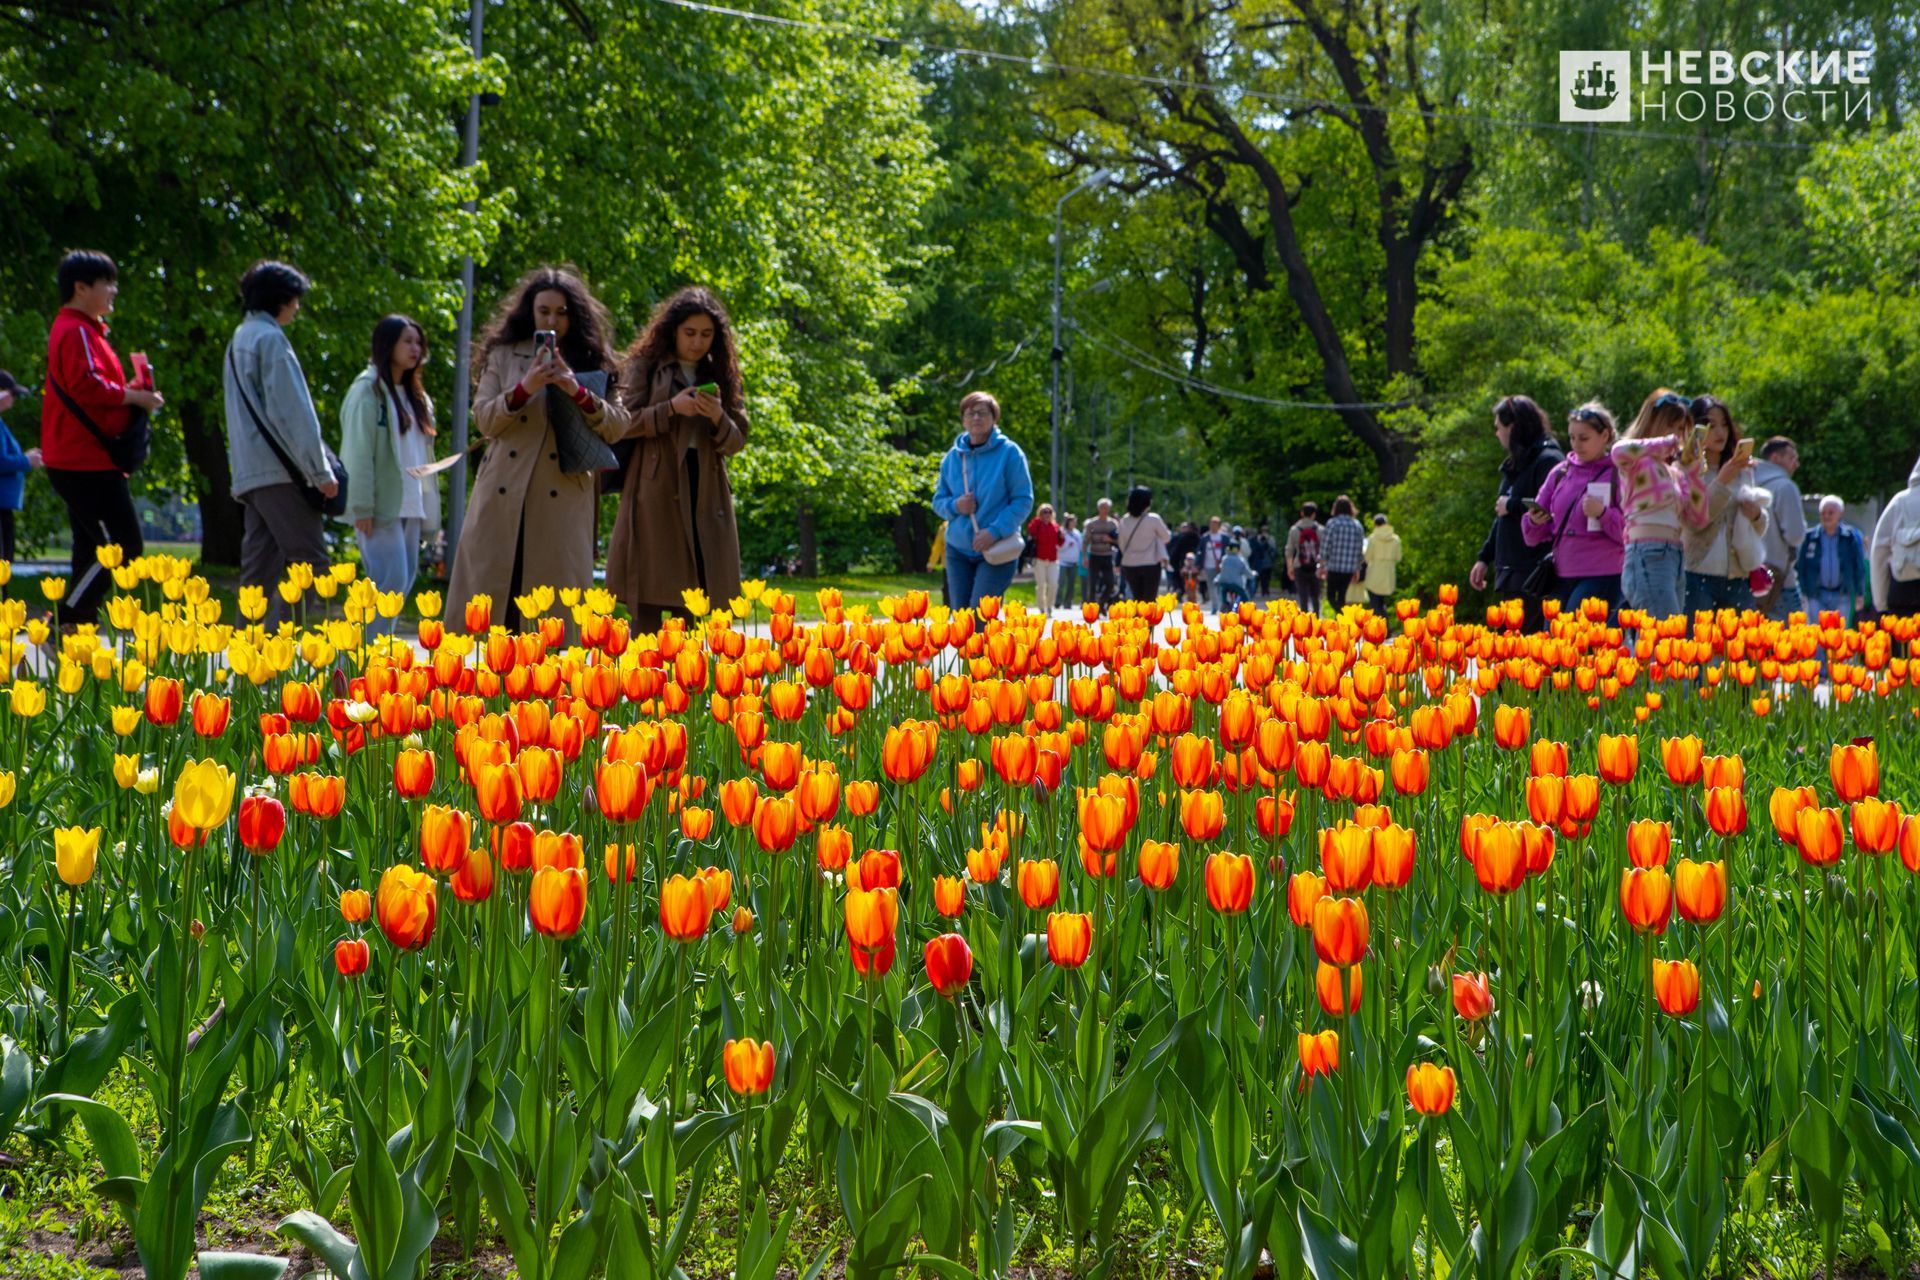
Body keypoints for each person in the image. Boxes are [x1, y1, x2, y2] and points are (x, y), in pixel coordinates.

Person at [449, 266, 631, 632]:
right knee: (497, 606)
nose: (553, 319)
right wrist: (525, 388)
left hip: (563, 497)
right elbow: (484, 419)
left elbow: (618, 425)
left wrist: (576, 391)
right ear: (529, 311)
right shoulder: (502, 355)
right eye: (544, 310)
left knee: (551, 619)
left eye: (561, 312)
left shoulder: (592, 358)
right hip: (503, 493)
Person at [610, 286, 749, 631]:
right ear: (673, 330)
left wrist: (717, 416)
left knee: (698, 592)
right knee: (651, 594)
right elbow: (620, 423)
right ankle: (645, 679)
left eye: (706, 334)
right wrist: (670, 409)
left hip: (705, 487)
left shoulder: (719, 373)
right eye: (690, 333)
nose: (697, 342)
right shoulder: (646, 365)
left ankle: (689, 680)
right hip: (655, 487)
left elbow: (736, 440)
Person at [42, 250, 162, 628]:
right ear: (80, 288)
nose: (114, 290)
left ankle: (74, 629)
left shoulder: (85, 330)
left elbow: (93, 387)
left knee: (91, 547)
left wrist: (128, 392)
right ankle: (66, 619)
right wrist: (134, 396)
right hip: (84, 460)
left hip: (80, 457)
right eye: (107, 282)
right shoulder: (76, 328)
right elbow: (86, 384)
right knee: (121, 548)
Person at [225, 260, 339, 624]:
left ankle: (247, 663)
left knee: (258, 572)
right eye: (295, 299)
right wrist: (319, 470)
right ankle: (276, 651)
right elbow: (293, 412)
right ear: (282, 298)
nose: (298, 307)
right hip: (280, 472)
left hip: (251, 472)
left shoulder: (239, 339)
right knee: (312, 563)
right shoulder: (271, 339)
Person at [340, 315, 440, 637]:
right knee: (390, 583)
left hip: (411, 503)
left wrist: (430, 513)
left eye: (418, 342)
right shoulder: (367, 392)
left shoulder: (417, 397)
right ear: (387, 345)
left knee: (402, 583)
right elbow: (357, 452)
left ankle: (373, 660)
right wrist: (361, 506)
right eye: (407, 341)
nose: (416, 349)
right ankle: (353, 662)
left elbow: (423, 456)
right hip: (379, 505)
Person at [1610, 389, 1708, 621]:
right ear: (1652, 423)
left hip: (1674, 554)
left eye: (1679, 430)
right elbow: (1617, 450)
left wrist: (1693, 474)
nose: (1675, 436)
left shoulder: (1674, 471)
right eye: (1670, 427)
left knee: (1668, 639)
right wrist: (1664, 443)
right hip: (1647, 551)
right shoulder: (1636, 460)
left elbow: (1698, 519)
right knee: (1666, 638)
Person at [930, 391, 1034, 609]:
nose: (976, 418)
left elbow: (1023, 500)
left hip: (997, 547)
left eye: (982, 413)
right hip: (957, 549)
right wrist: (956, 505)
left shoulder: (1010, 453)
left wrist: (994, 531)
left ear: (994, 418)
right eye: (970, 413)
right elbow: (938, 501)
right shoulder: (952, 458)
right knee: (961, 619)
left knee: (981, 616)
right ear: (963, 420)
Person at [1521, 402, 1625, 615]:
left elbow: (1630, 532)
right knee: (1556, 644)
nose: (1576, 444)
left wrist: (1603, 514)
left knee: (1577, 639)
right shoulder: (1560, 472)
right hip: (1561, 572)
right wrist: (1534, 520)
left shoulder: (1618, 474)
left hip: (1602, 573)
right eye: (1572, 437)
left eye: (1584, 438)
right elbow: (1531, 538)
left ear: (1605, 436)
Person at [1470, 396, 1564, 631]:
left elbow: (1554, 508)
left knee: (1526, 653)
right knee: (1509, 652)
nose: (1496, 433)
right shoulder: (1516, 464)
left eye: (1498, 427)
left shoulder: (1548, 460)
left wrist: (1512, 505)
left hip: (1534, 574)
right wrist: (1484, 557)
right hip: (1510, 571)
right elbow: (1501, 515)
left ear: (1512, 426)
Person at [1681, 395, 1769, 614]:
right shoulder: (1687, 470)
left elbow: (1756, 530)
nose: (1720, 432)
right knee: (1695, 647)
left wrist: (1758, 515)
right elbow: (1695, 522)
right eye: (1711, 425)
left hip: (1738, 577)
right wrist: (1722, 480)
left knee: (1741, 647)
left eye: (1724, 425)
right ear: (1696, 429)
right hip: (1697, 574)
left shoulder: (1742, 470)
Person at [1752, 437, 1806, 619]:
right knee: (1791, 644)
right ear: (1775, 458)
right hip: (1780, 582)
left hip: (1751, 580)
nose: (1796, 464)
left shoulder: (1746, 483)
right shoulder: (1785, 487)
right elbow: (1795, 536)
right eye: (1792, 458)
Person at [1798, 496, 1868, 622]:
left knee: (1838, 637)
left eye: (1831, 513)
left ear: (1840, 514)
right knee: (1817, 635)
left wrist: (1860, 593)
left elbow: (1859, 566)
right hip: (1816, 594)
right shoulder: (1809, 537)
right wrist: (1803, 591)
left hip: (1842, 594)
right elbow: (1801, 566)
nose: (1826, 516)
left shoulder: (1850, 537)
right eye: (1823, 513)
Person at [0, 372, 44, 563]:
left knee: (5, 560)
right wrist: (26, 461)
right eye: (12, 394)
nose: (14, 399)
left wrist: (25, 457)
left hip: (4, 505)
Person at [1871, 456, 1920, 619]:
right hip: (1905, 597)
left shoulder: (1899, 502)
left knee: (1904, 643)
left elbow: (1879, 553)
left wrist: (1880, 602)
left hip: (1903, 596)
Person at [1116, 485, 1171, 602]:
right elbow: (1166, 538)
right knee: (1149, 600)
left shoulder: (1124, 520)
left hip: (1130, 564)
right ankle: (1146, 620)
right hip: (1150, 563)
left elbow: (1121, 543)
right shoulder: (1154, 519)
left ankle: (1137, 620)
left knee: (1137, 598)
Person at [1322, 497, 1365, 610]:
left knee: (1330, 596)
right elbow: (1359, 549)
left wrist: (1322, 564)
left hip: (1333, 566)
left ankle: (1341, 615)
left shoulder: (1332, 523)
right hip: (1349, 568)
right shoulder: (1357, 525)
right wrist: (1357, 568)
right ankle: (1341, 617)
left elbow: (1325, 546)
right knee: (1342, 596)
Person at [1286, 502, 1324, 615]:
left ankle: (1304, 625)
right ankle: (1316, 623)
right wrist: (1322, 566)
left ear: (1302, 513)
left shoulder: (1294, 530)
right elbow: (1325, 550)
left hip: (1299, 566)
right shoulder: (1320, 530)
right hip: (1316, 566)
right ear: (1314, 514)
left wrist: (1290, 567)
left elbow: (1289, 550)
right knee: (1315, 597)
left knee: (1303, 598)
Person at [1083, 498, 1120, 609]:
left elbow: (1119, 541)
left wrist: (1110, 540)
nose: (1104, 510)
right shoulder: (1091, 523)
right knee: (1092, 583)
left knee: (1110, 583)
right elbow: (1085, 541)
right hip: (1094, 555)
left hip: (1107, 556)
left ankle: (1100, 603)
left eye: (1106, 507)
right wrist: (1084, 556)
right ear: (1098, 508)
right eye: (1102, 507)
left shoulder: (1113, 524)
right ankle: (1091, 609)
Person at [1361, 513, 1400, 611]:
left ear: (1375, 524)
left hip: (1374, 574)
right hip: (1388, 575)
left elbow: (1367, 557)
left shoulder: (1373, 538)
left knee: (1375, 603)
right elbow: (1398, 558)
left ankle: (1382, 624)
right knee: (1381, 603)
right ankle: (1384, 622)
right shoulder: (1395, 539)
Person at [1028, 503, 1062, 613]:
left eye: (1049, 512)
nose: (1047, 514)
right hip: (1039, 559)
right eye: (1044, 512)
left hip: (1053, 560)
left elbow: (1060, 543)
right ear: (1040, 513)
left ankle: (1049, 605)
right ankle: (1041, 607)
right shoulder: (1037, 524)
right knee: (1041, 585)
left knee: (1053, 584)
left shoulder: (1056, 526)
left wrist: (1062, 537)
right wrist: (1039, 519)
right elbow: (1031, 530)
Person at [1215, 538, 1252, 611]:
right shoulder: (1240, 560)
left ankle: (1224, 603)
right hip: (1236, 584)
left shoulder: (1224, 559)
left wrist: (1217, 580)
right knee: (1245, 597)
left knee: (1222, 591)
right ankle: (1248, 609)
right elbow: (1247, 572)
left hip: (1224, 583)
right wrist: (1252, 575)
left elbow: (1222, 571)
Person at [1200, 516, 1227, 606]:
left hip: (1222, 566)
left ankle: (1221, 605)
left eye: (1215, 524)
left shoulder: (1224, 537)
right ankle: (1214, 606)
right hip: (1209, 566)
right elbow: (1200, 551)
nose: (1213, 526)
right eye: (1211, 523)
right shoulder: (1205, 537)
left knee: (1220, 586)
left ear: (1219, 525)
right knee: (1211, 586)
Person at [1057, 514, 1082, 609]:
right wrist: (1067, 545)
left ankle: (1068, 603)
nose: (1073, 524)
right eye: (1072, 522)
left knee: (1071, 584)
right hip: (1063, 562)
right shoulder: (1062, 532)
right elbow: (1058, 547)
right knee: (1061, 583)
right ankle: (1057, 602)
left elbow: (1080, 547)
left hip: (1073, 562)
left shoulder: (1077, 533)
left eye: (1075, 522)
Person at [1248, 526, 1276, 601]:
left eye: (1266, 530)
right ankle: (1264, 591)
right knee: (1262, 578)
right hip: (1262, 562)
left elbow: (1273, 551)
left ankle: (1266, 590)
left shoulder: (1271, 539)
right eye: (1263, 530)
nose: (1264, 532)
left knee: (1267, 578)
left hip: (1267, 562)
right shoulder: (1258, 539)